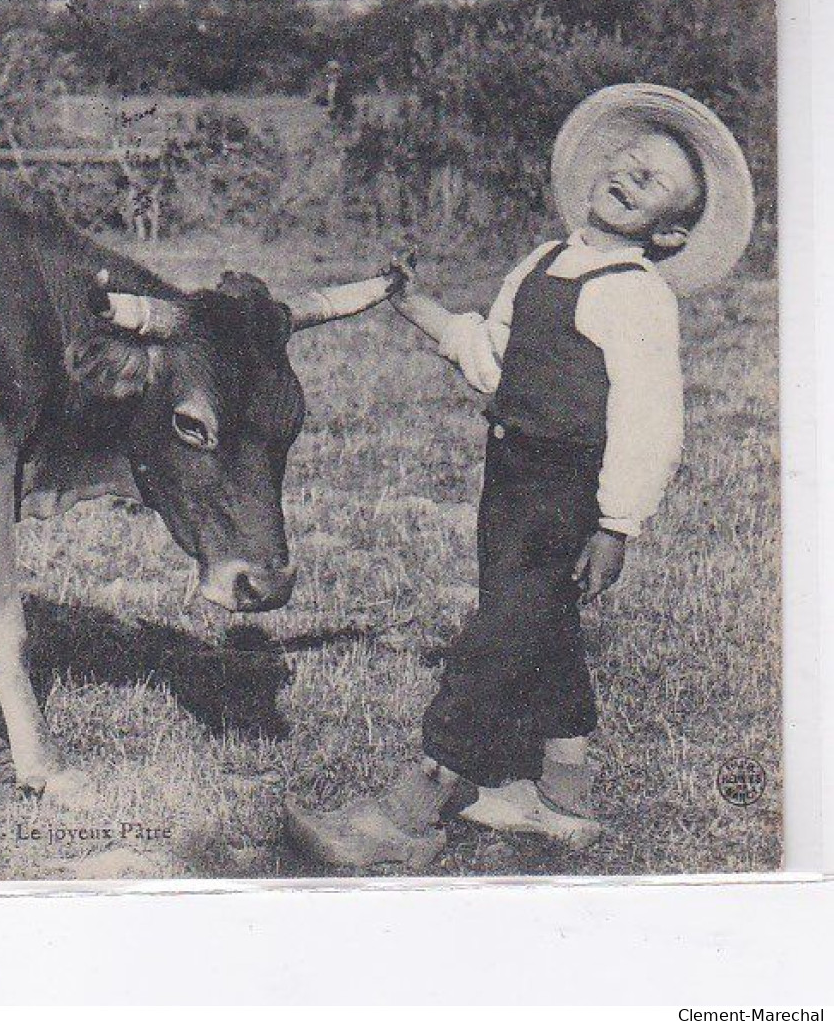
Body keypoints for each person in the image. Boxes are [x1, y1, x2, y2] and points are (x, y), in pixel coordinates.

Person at [285, 84, 755, 869]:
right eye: (631, 163)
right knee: (538, 617)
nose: (631, 179)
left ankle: (410, 809)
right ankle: (561, 793)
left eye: (654, 185)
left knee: (501, 636)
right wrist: (412, 304)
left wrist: (616, 523)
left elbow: (650, 422)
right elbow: (491, 359)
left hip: (570, 492)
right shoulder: (540, 263)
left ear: (669, 231)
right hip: (511, 478)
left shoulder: (638, 296)